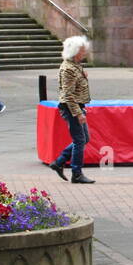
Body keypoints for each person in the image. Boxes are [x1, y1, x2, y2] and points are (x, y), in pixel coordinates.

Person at [49, 35, 94, 184]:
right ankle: (76, 173)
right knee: (80, 140)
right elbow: (68, 95)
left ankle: (59, 161)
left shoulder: (75, 65)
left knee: (84, 138)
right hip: (71, 107)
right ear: (74, 52)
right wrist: (78, 113)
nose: (84, 53)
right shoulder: (68, 68)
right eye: (82, 51)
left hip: (77, 105)